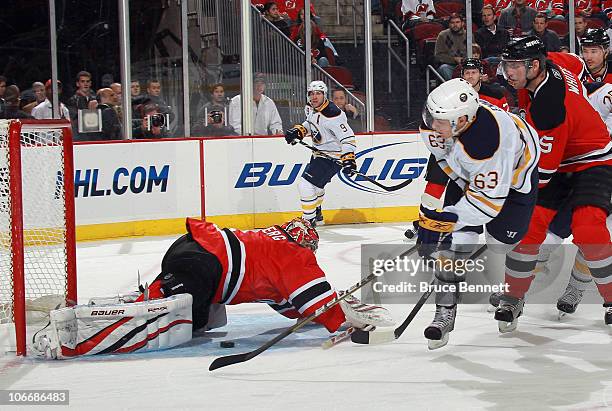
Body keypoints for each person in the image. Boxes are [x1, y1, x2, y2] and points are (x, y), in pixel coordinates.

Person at [32, 217, 393, 358]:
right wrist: (343, 319)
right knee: (165, 324)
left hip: (191, 251)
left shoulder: (269, 244)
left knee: (184, 312)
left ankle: (87, 314)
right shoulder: (294, 254)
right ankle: (71, 339)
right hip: (204, 267)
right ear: (306, 244)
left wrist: (329, 309)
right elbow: (316, 300)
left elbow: (291, 305)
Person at [496, 36, 612, 329]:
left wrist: (507, 196)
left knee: (588, 227)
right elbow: (577, 64)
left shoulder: (550, 110)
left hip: (595, 161)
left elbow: (542, 177)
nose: (508, 72)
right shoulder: (555, 62)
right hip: (562, 158)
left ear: (534, 65)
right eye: (506, 64)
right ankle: (514, 295)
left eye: (514, 66)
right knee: (531, 227)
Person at [418, 78, 540, 349]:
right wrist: (440, 217)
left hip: (515, 180)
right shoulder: (438, 121)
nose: (432, 127)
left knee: (501, 244)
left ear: (462, 120)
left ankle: (514, 295)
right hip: (474, 176)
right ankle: (444, 311)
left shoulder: (491, 142)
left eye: (440, 122)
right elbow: (441, 157)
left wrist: (446, 220)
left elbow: (487, 206)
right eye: (432, 117)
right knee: (453, 246)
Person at [284, 81, 357, 227]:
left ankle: (307, 220)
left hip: (332, 158)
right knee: (316, 187)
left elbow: (348, 138)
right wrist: (300, 131)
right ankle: (316, 212)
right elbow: (310, 123)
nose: (314, 96)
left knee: (305, 185)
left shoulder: (333, 114)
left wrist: (349, 158)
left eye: (318, 93)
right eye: (311, 93)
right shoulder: (310, 107)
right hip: (318, 153)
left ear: (324, 95)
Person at [434, 13, 468, 80]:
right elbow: (438, 56)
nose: (455, 25)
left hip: (466, 65)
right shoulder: (442, 35)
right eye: (452, 22)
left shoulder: (469, 34)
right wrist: (454, 59)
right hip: (450, 66)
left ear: (462, 23)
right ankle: (454, 89)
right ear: (449, 24)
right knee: (444, 68)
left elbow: (475, 50)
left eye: (457, 22)